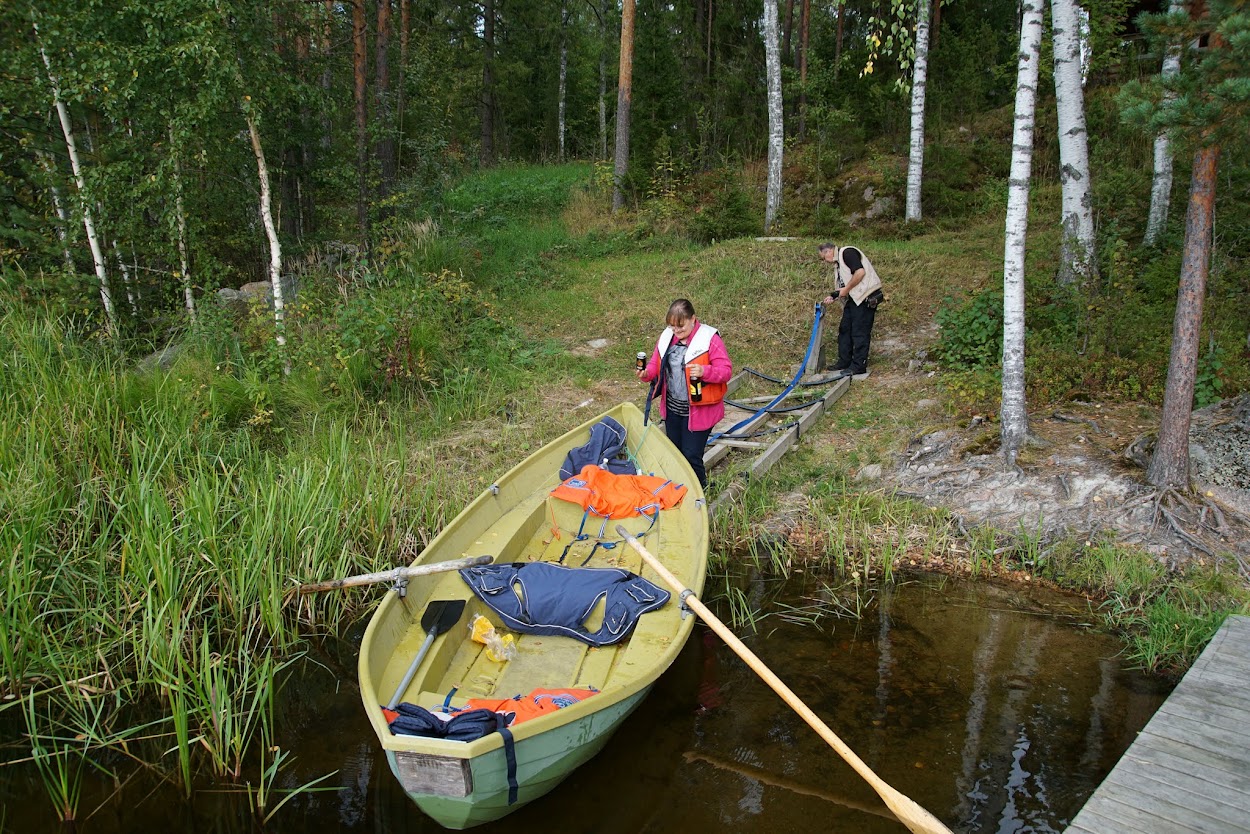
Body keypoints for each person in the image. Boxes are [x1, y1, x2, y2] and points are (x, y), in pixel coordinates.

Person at [637, 299, 733, 488]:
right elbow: (656, 363)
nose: (676, 331)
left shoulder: (709, 339)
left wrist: (705, 372)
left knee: (691, 454)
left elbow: (726, 370)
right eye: (672, 326)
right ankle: (681, 488)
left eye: (680, 326)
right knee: (676, 452)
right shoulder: (667, 337)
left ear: (693, 319)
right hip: (673, 408)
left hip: (699, 411)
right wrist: (647, 374)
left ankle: (700, 490)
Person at [819, 241, 883, 380]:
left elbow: (860, 273)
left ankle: (859, 366)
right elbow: (845, 284)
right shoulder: (839, 263)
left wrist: (845, 290)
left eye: (823, 258)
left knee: (859, 332)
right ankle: (844, 361)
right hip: (855, 298)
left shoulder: (847, 253)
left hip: (866, 296)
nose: (825, 261)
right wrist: (834, 295)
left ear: (828, 251)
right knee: (845, 329)